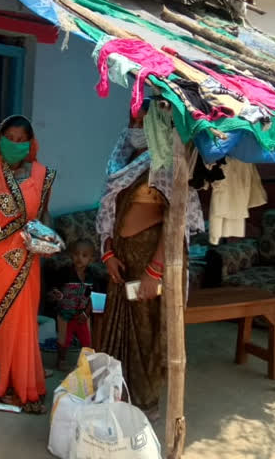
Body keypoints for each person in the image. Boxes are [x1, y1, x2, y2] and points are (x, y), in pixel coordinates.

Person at [95, 100, 203, 422]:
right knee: (118, 335)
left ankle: (144, 402)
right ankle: (117, 395)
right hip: (122, 261)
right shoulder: (122, 158)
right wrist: (108, 252)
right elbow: (110, 210)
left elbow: (176, 222)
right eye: (134, 115)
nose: (138, 121)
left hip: (152, 264)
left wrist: (155, 272)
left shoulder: (169, 161)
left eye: (145, 115)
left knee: (146, 335)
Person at [0, 114, 56, 414]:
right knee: (1, 324)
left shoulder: (41, 175)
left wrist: (45, 239)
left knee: (25, 325)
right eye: (10, 139)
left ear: (30, 143)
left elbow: (44, 216)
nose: (15, 145)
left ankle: (26, 387)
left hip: (29, 261)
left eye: (21, 140)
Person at [48, 239, 103, 371]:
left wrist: (86, 313)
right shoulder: (63, 272)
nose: (79, 258)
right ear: (71, 255)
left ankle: (87, 362)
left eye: (84, 255)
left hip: (83, 315)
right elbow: (52, 290)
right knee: (64, 339)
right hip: (65, 314)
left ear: (91, 259)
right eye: (76, 254)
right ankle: (61, 360)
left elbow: (95, 298)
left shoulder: (93, 276)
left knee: (87, 340)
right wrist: (54, 294)